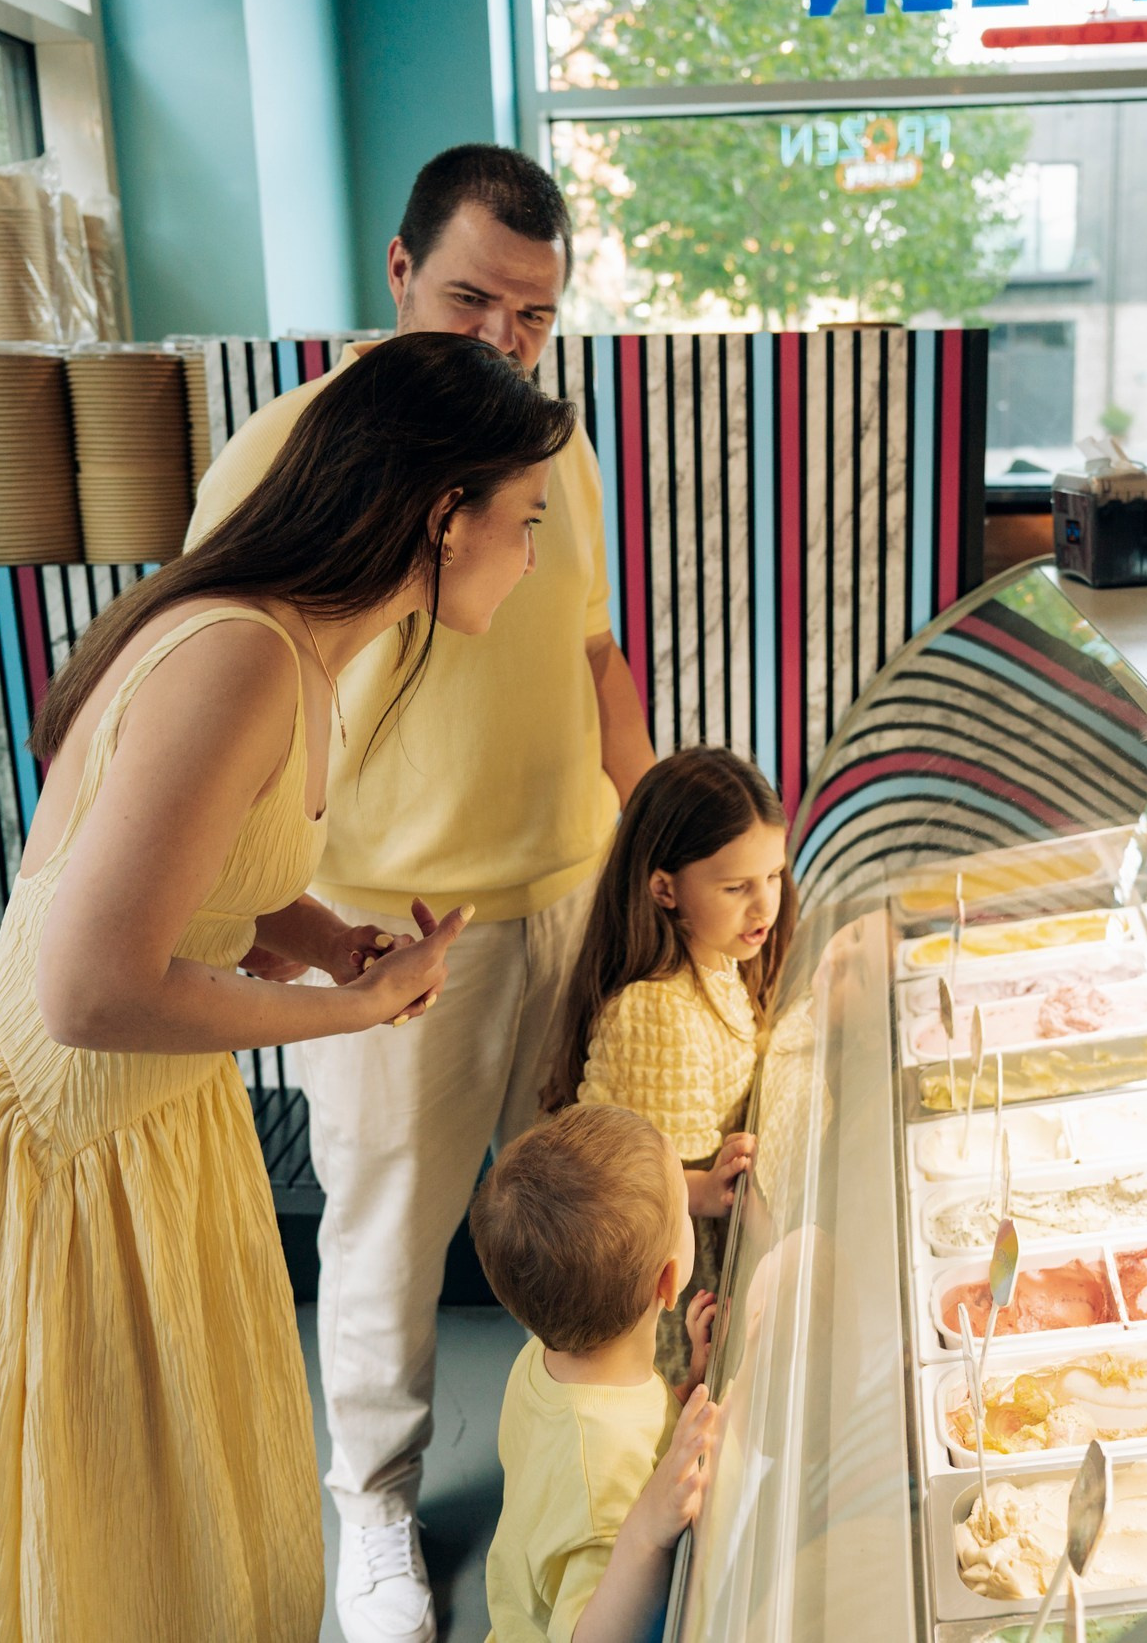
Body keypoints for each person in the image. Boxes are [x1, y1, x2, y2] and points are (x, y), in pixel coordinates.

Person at [0, 333, 576, 1642]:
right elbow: (85, 988)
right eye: (521, 522)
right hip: (51, 1140)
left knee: (169, 1534)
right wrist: (352, 1006)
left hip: (143, 1126)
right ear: (440, 513)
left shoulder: (297, 643)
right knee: (83, 1558)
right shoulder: (239, 649)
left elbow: (184, 861)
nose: (531, 559)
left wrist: (320, 930)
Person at [187, 144, 653, 1643]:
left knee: (581, 1215)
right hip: (385, 925)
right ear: (396, 275)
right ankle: (376, 1502)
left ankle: (576, 1461)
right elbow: (230, 711)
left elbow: (591, 651)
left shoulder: (555, 449)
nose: (504, 342)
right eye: (472, 299)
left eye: (535, 314)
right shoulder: (283, 452)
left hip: (567, 891)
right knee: (387, 1228)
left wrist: (643, 834)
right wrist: (312, 938)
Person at [543, 748, 795, 1390]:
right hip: (657, 1288)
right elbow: (614, 1182)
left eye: (774, 875)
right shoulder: (658, 1012)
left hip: (694, 1258)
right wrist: (703, 1190)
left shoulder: (719, 958)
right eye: (736, 887)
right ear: (664, 888)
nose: (764, 906)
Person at [468, 1104, 724, 1643]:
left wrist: (689, 1384)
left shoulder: (542, 1363)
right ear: (670, 1280)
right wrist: (646, 1533)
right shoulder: (601, 1486)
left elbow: (625, 1436)